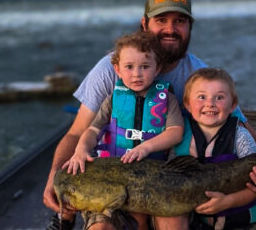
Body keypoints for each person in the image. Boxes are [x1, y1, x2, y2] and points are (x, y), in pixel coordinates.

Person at [44, 0, 256, 230]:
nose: (170, 29)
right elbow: (77, 132)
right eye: (161, 20)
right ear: (145, 24)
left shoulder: (200, 77)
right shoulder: (111, 68)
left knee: (171, 221)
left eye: (179, 21)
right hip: (110, 182)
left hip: (168, 183)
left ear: (190, 26)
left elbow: (242, 127)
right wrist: (56, 175)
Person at [61, 31, 184, 230]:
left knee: (141, 219)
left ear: (157, 68)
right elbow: (92, 130)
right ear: (117, 69)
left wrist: (146, 147)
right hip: (112, 177)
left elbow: (175, 131)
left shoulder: (167, 99)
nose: (137, 74)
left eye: (145, 67)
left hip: (148, 179)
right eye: (129, 67)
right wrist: (81, 150)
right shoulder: (112, 99)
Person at [175, 67, 256, 230]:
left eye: (219, 97)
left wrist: (228, 202)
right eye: (201, 97)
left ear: (233, 105)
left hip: (246, 222)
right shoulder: (179, 135)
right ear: (187, 104)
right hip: (199, 222)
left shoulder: (240, 136)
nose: (210, 103)